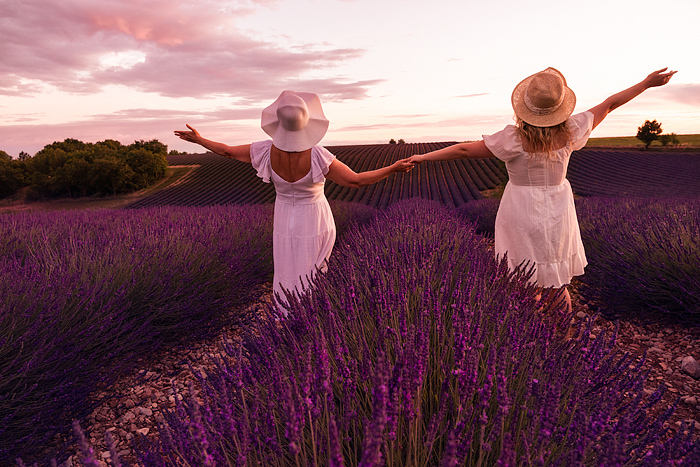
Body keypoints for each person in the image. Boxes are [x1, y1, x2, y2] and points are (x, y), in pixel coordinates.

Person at [408, 67, 677, 313]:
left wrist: (422, 157)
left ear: (526, 106)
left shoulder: (513, 139)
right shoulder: (572, 130)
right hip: (558, 208)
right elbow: (610, 104)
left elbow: (464, 150)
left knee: (524, 281)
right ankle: (567, 340)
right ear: (559, 107)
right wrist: (646, 83)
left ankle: (531, 339)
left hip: (520, 207)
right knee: (557, 284)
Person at [175, 90, 414, 314]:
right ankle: (310, 317)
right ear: (307, 124)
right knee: (312, 270)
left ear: (279, 124)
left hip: (284, 218)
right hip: (313, 218)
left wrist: (200, 140)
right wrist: (392, 168)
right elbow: (356, 181)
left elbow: (227, 151)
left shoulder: (265, 151)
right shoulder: (318, 155)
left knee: (287, 267)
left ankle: (287, 315)